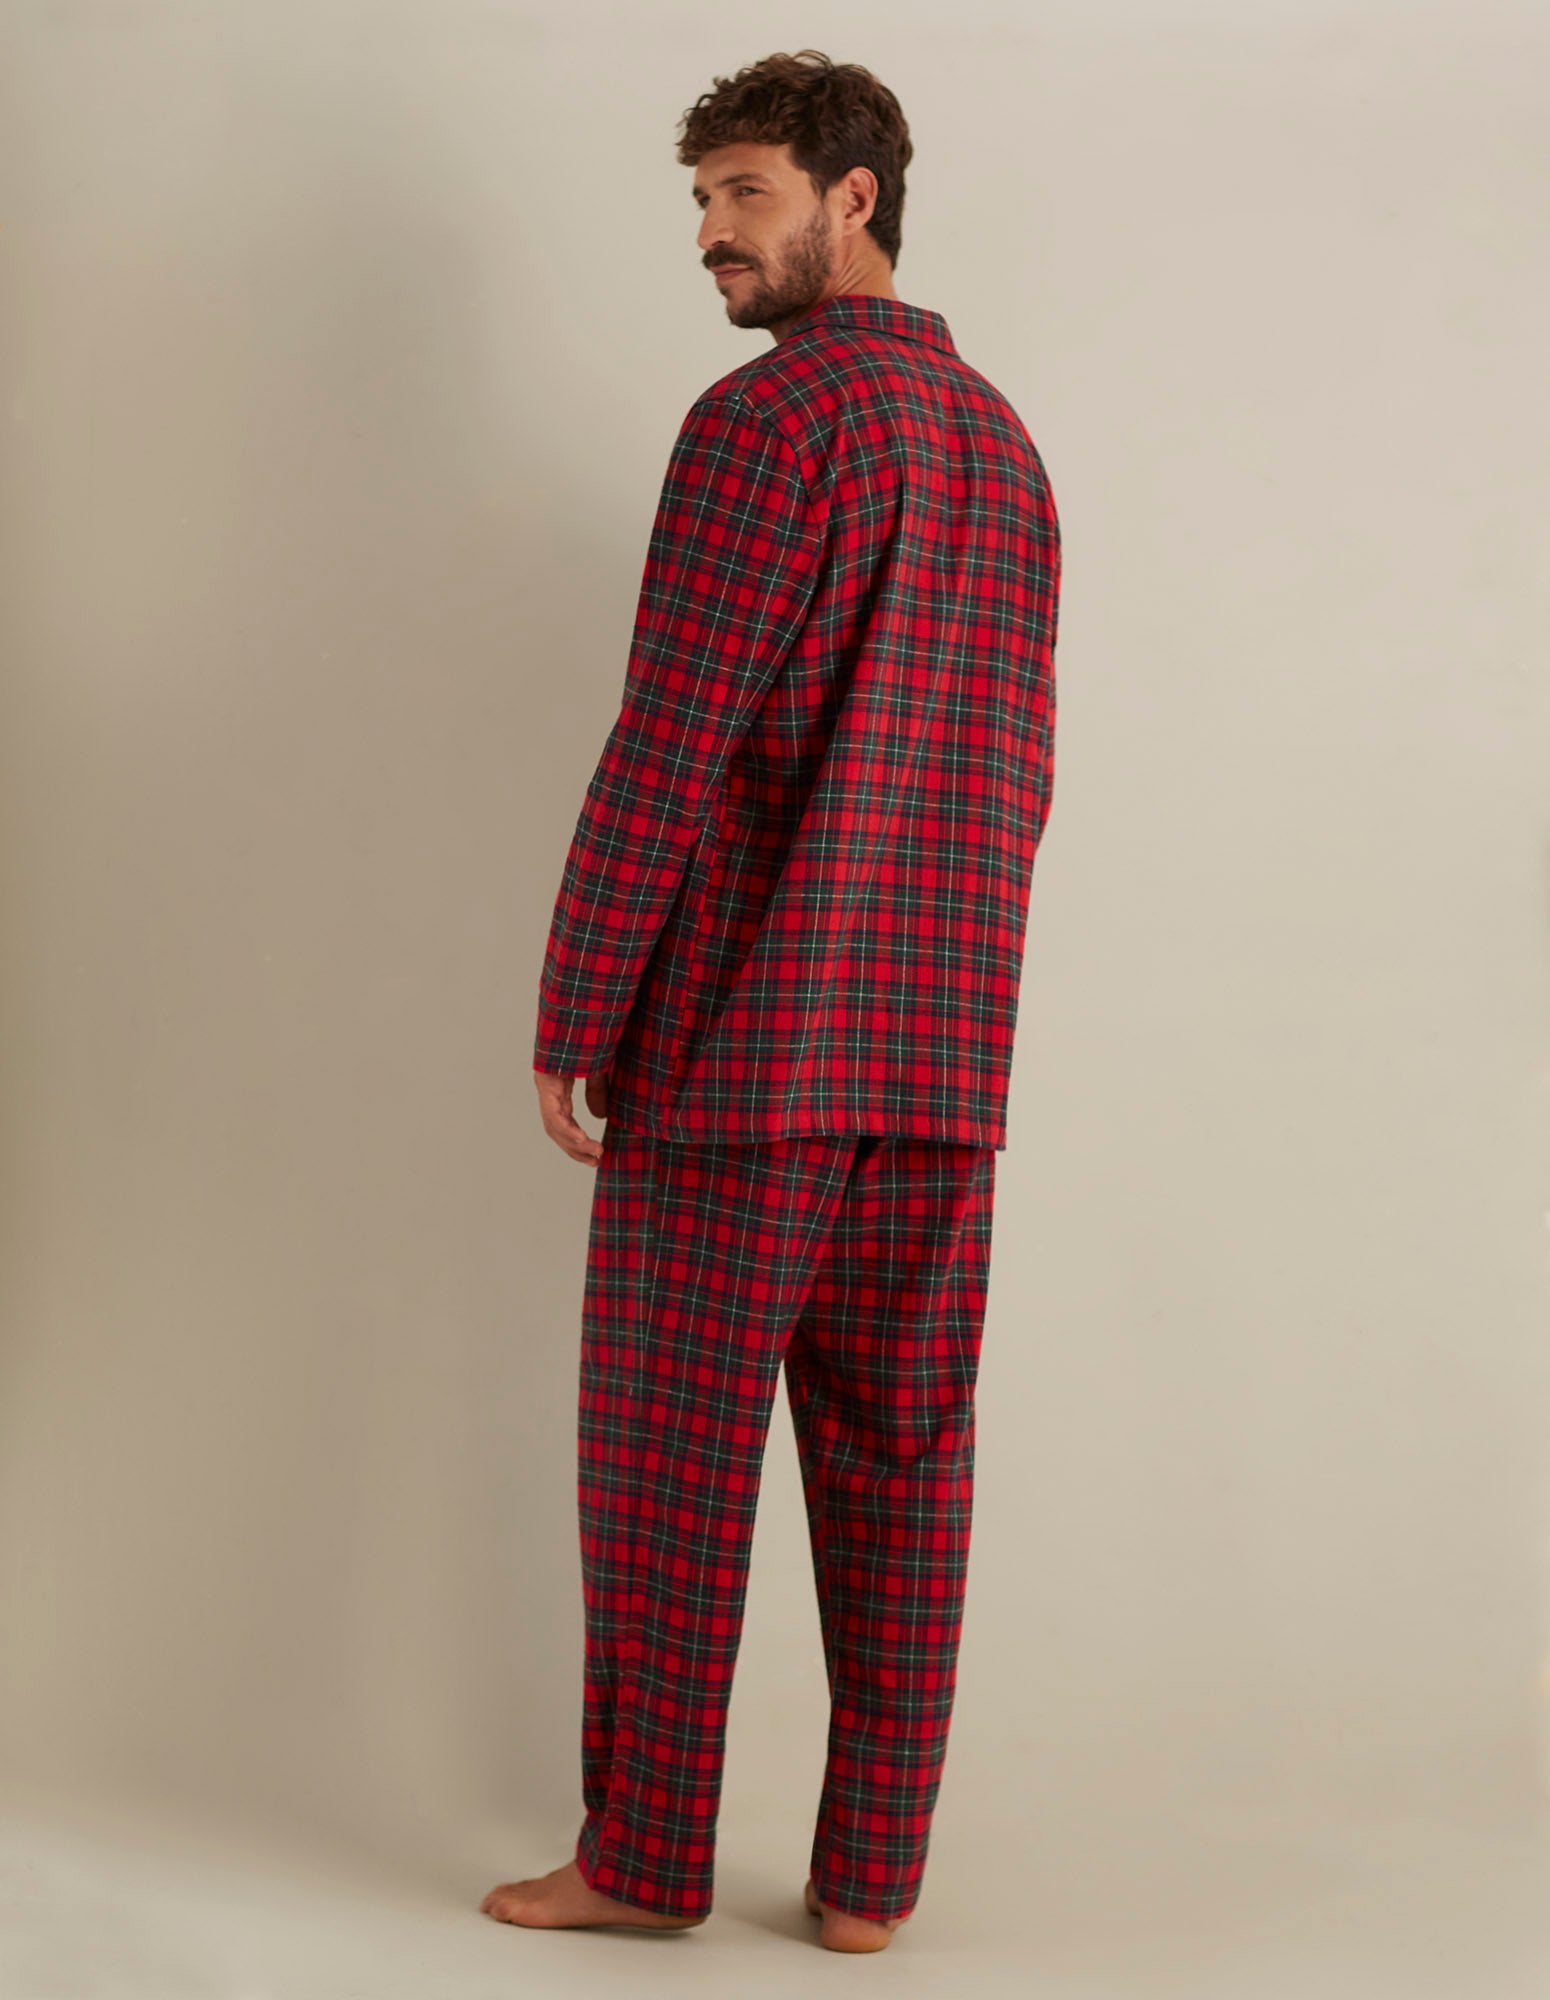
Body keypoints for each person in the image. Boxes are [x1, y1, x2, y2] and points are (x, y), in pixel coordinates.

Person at [482, 48, 1061, 1955]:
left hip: (746, 1051)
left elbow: (673, 742)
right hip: (939, 1055)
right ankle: (869, 1885)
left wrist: (578, 1003)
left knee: (669, 1471)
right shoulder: (999, 445)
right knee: (906, 1464)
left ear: (852, 197)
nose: (710, 238)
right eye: (702, 202)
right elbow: (1012, 772)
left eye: (742, 195)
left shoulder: (768, 425)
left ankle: (645, 1861)